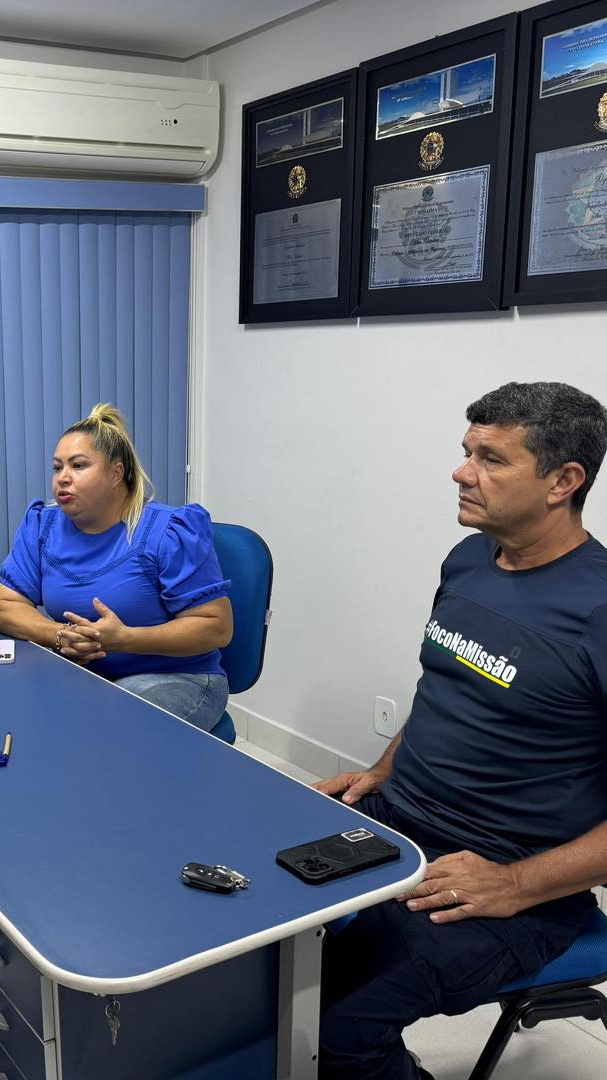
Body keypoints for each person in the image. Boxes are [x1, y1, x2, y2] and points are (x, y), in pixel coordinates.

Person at [313, 382, 607, 1080]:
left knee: (335, 1028)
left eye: (491, 458)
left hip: (514, 880)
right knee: (253, 941)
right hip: (396, 822)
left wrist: (514, 883)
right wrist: (386, 768)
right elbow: (445, 685)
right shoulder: (469, 560)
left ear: (563, 482)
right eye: (465, 450)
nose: (461, 471)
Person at [0, 403, 234, 734]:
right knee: (19, 717)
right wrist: (59, 635)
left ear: (116, 474)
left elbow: (216, 627)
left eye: (78, 466)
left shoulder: (168, 532)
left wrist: (125, 639)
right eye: (57, 467)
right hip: (89, 677)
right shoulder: (42, 525)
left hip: (179, 677)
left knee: (102, 733)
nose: (62, 478)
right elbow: (5, 607)